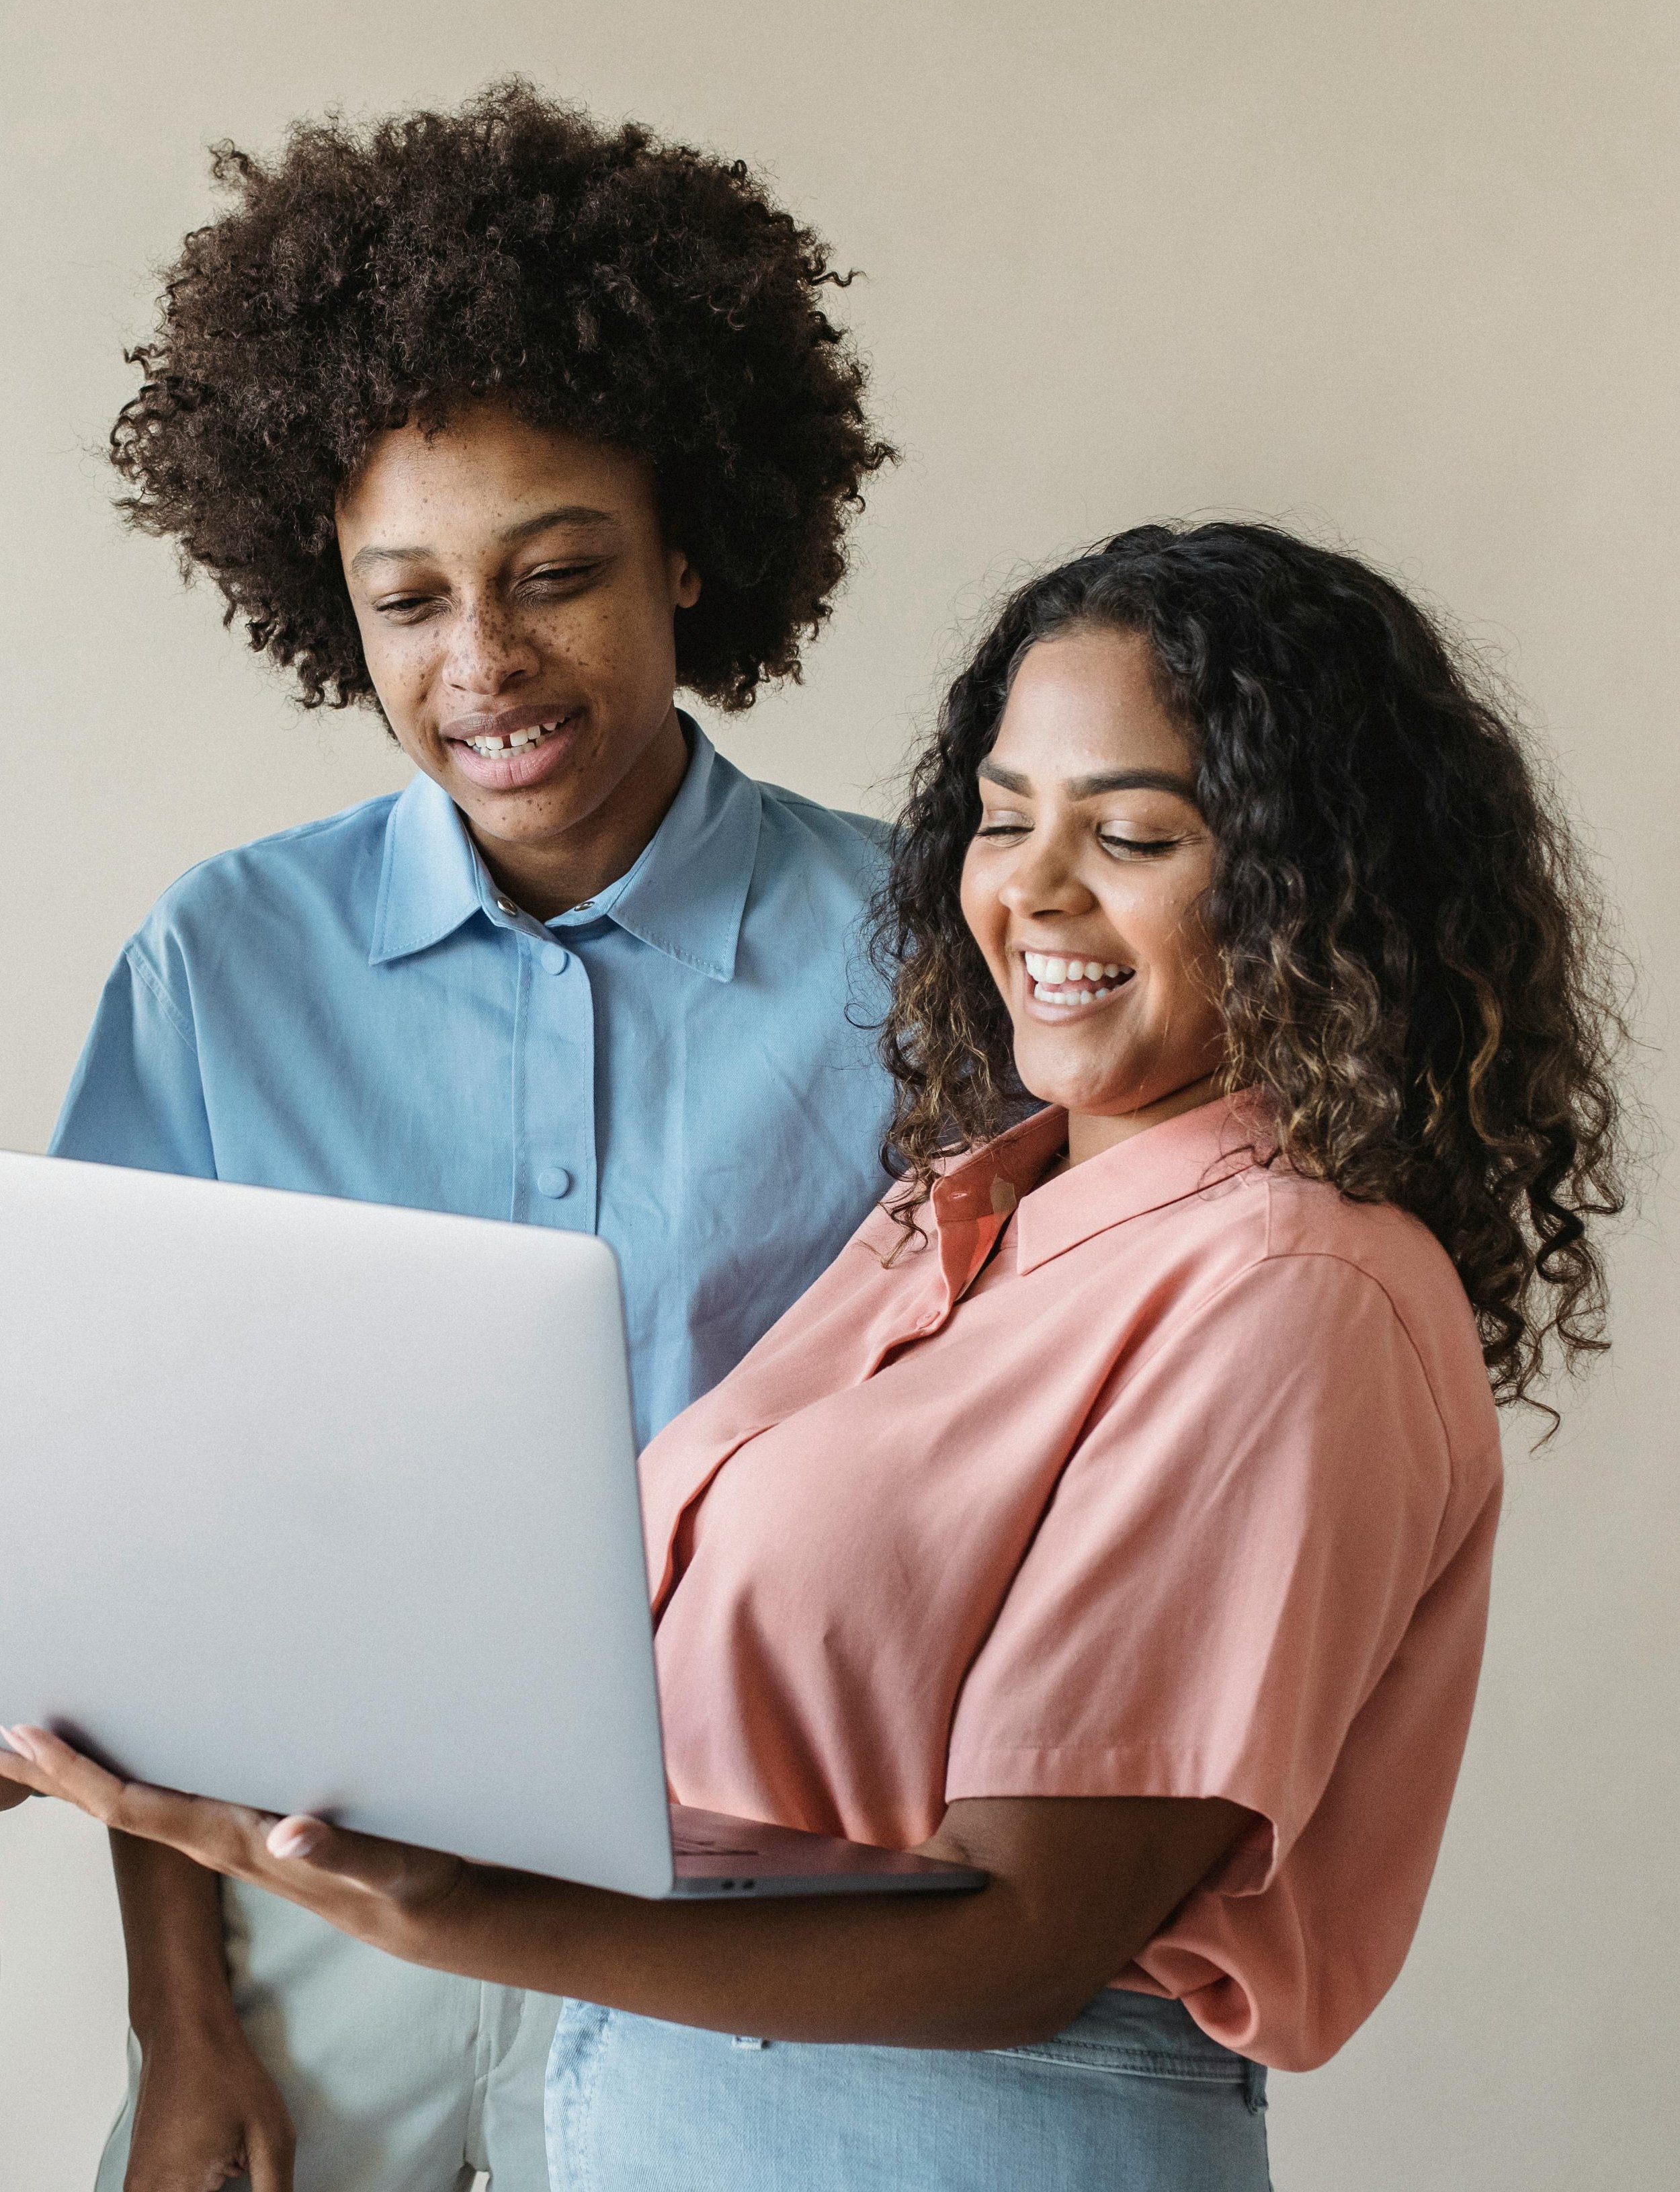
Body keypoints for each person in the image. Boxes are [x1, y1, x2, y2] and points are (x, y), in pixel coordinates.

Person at [8, 523, 1626, 2190]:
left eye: (1133, 832)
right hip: (680, 2094)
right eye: (1003, 817)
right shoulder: (960, 1207)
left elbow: (1023, 1941)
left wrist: (467, 1910)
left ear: (1317, 882)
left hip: (945, 2134)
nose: (1035, 889)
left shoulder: (1294, 1288)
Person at [48, 84, 896, 2192]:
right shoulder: (222, 958)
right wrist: (186, 2025)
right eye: (405, 598)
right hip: (322, 1905)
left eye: (555, 573)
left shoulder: (924, 957)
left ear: (691, 543)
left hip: (755, 1915)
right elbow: (123, 1551)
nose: (483, 663)